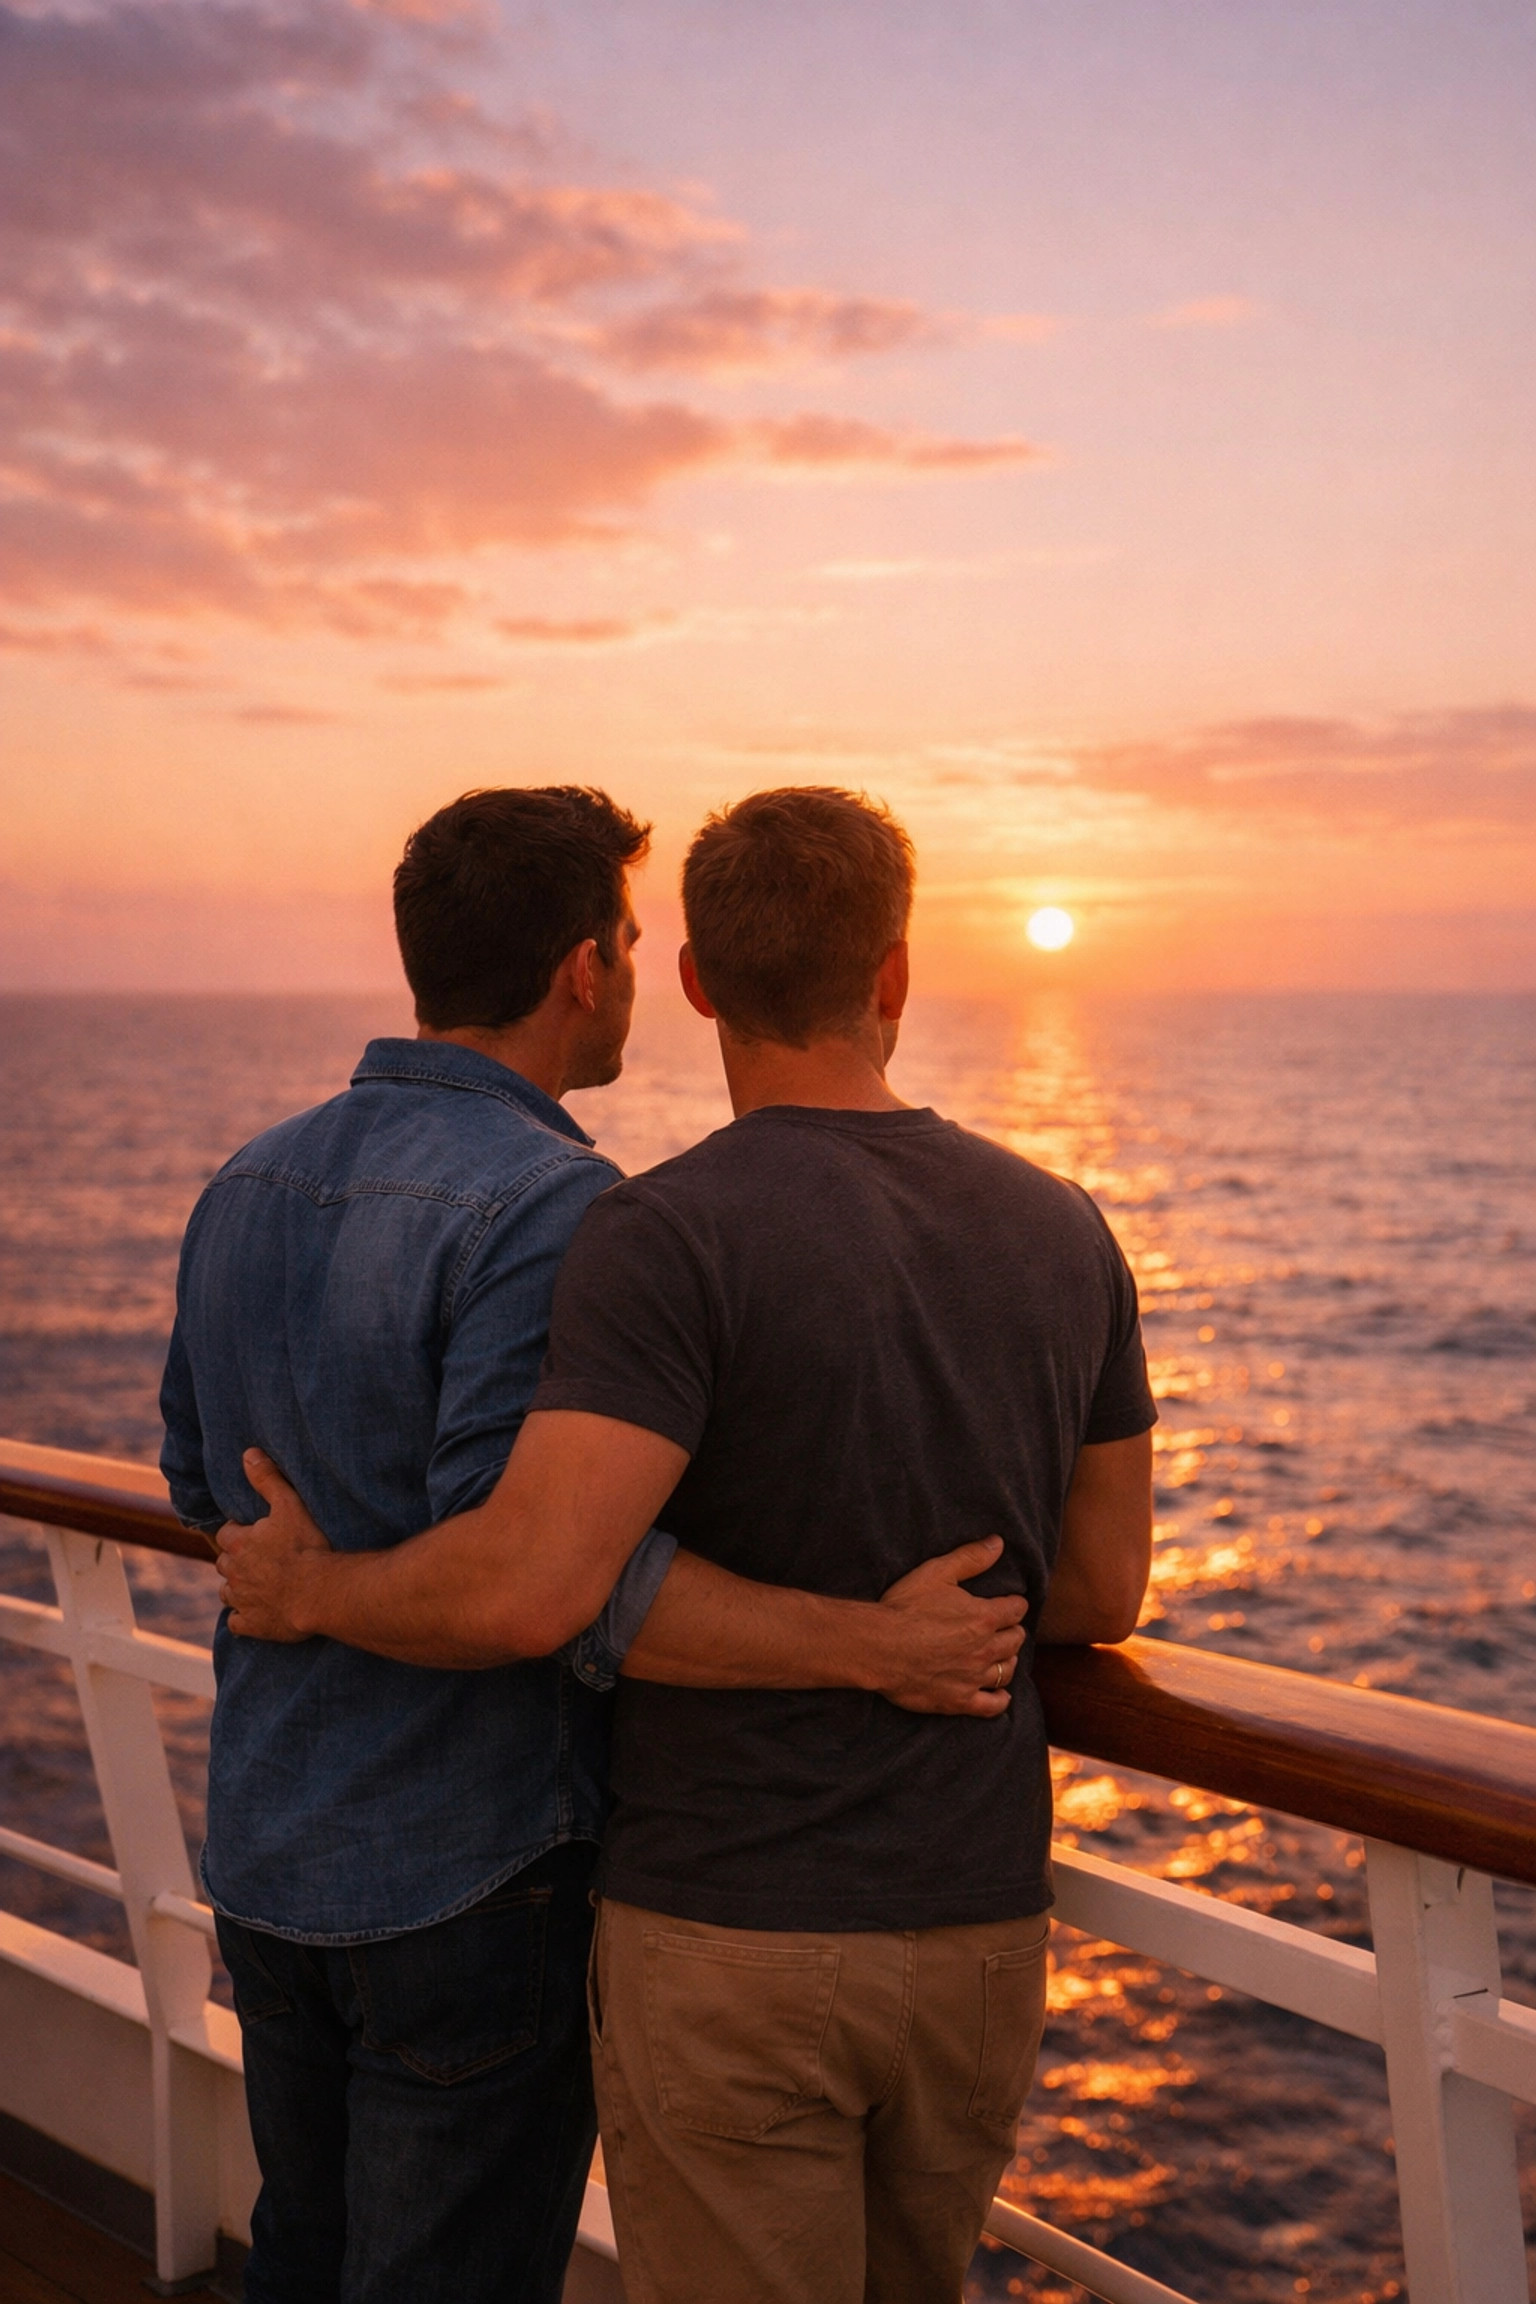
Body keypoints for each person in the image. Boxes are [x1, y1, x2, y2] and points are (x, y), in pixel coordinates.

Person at [216, 785, 1156, 2304]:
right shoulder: (1067, 1227)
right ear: (896, 974)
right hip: (978, 1925)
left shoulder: (661, 1231)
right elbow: (1108, 1588)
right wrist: (917, 1629)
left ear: (705, 981)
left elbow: (539, 1577)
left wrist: (314, 1587)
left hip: (726, 1928)